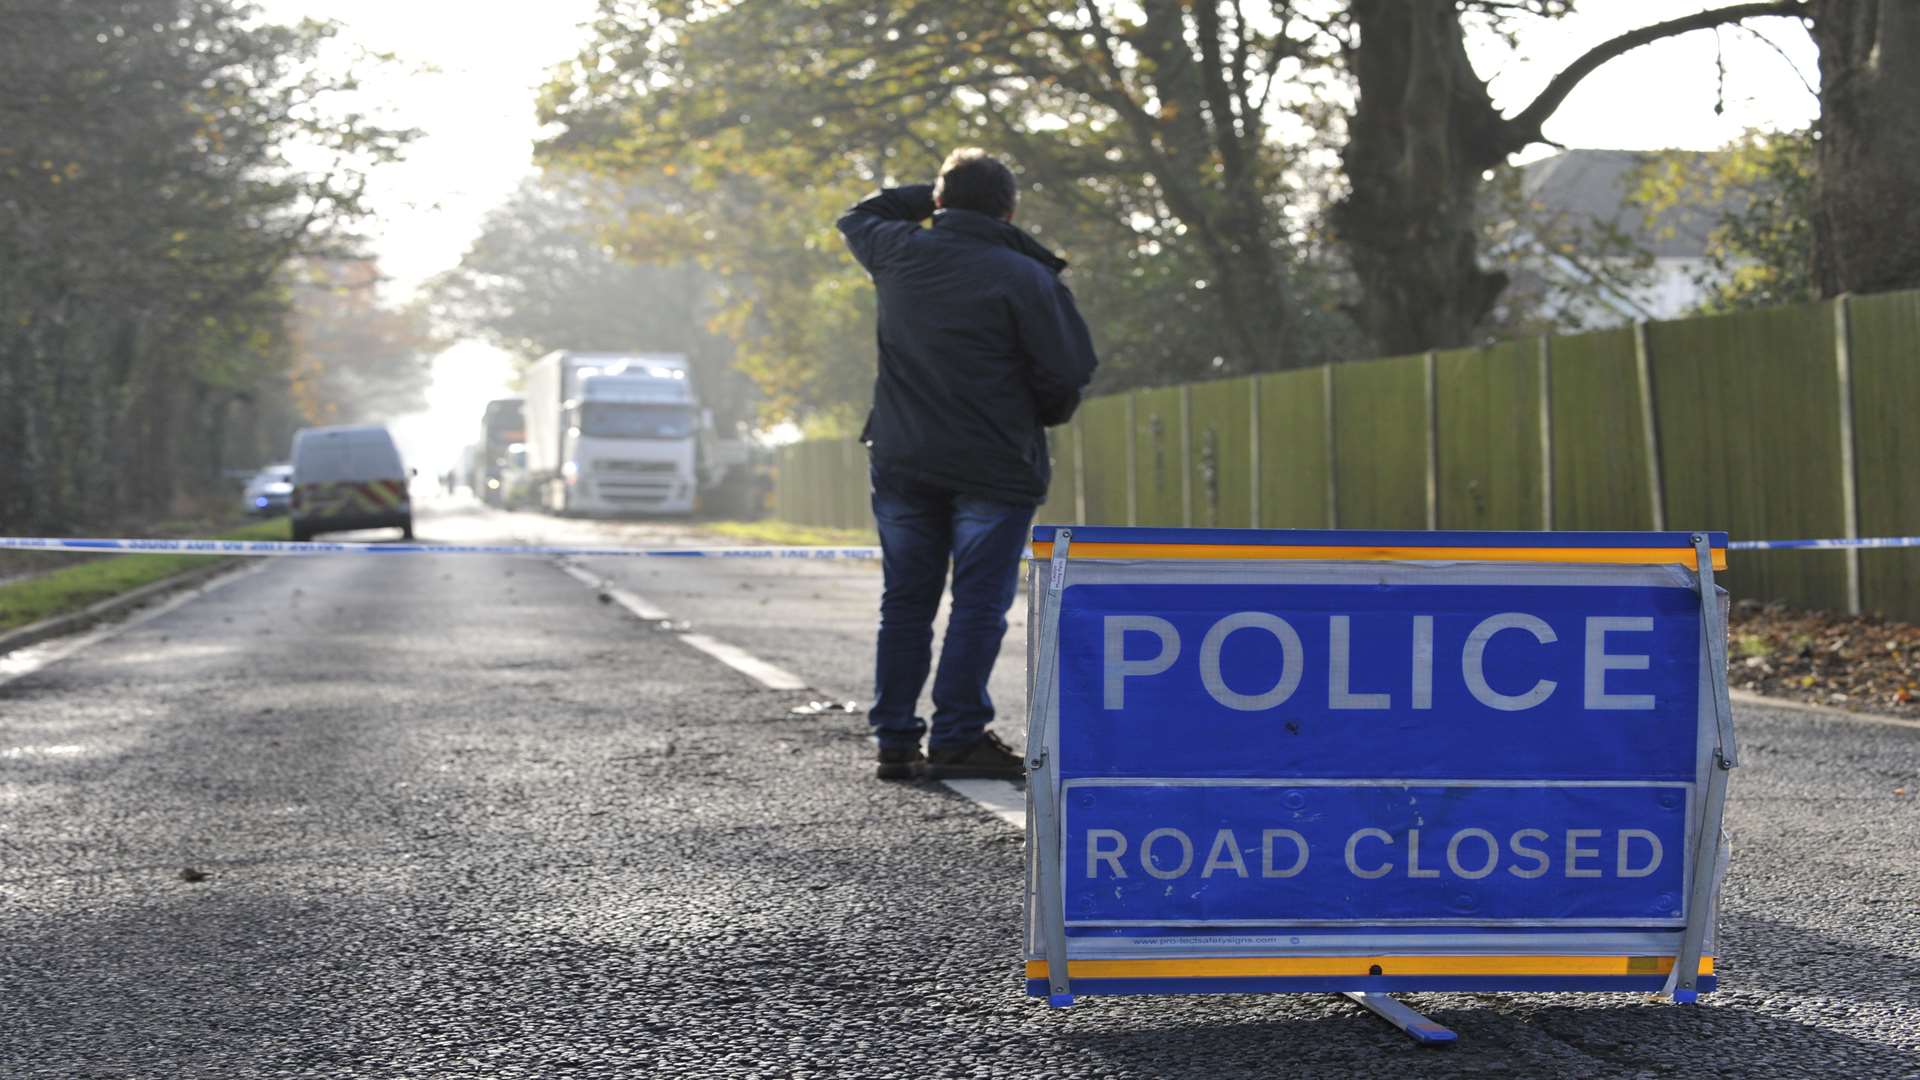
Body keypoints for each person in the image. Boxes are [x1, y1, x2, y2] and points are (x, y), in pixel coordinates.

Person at [837, 148, 1099, 782]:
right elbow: (1069, 370)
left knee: (905, 601)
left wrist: (933, 200)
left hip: (904, 459)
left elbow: (858, 214)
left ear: (938, 202)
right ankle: (957, 736)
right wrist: (1042, 412)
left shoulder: (897, 251)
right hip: (994, 463)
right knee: (978, 604)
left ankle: (895, 739)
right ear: (1009, 209)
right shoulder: (1024, 276)